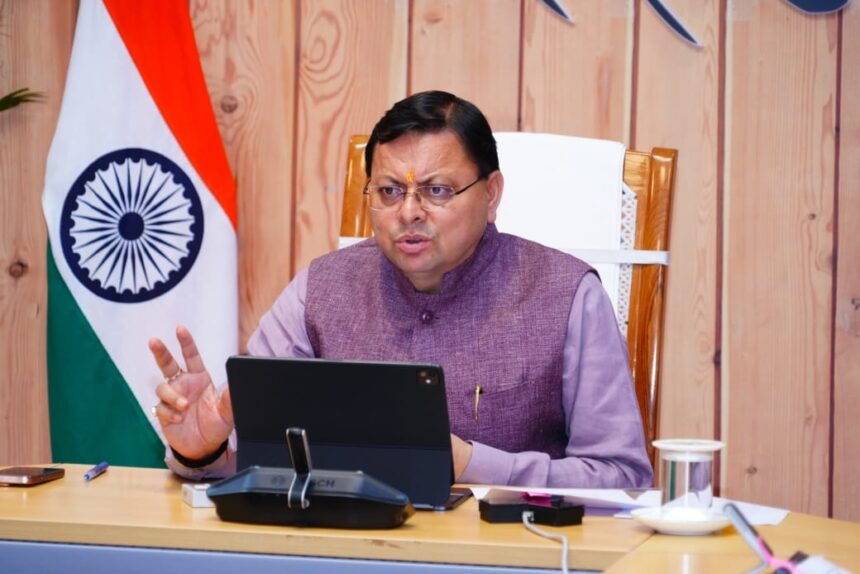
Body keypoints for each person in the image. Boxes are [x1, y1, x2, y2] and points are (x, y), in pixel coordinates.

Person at [150, 90, 653, 488]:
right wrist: (204, 450)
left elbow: (622, 478)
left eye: (436, 190)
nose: (409, 212)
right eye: (389, 191)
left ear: (492, 194)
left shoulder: (567, 295)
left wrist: (473, 464)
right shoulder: (319, 292)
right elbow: (260, 462)